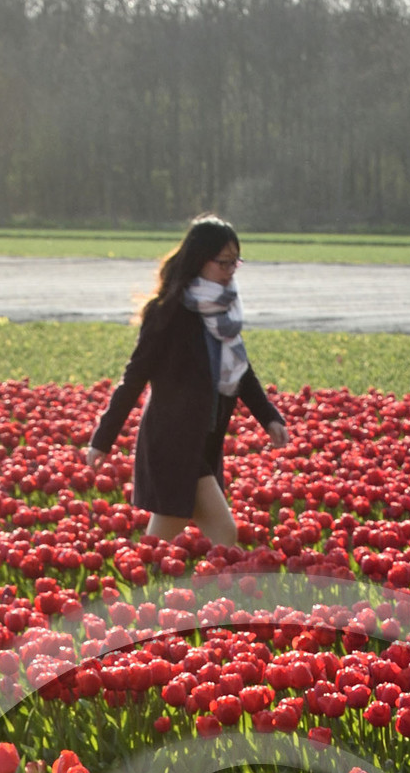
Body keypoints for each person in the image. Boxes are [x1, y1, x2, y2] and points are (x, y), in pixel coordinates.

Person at [83, 216, 287, 547]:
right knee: (223, 533)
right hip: (174, 440)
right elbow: (135, 377)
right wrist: (102, 439)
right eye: (224, 262)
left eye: (236, 261)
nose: (231, 269)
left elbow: (239, 369)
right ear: (199, 259)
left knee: (168, 534)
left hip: (204, 441)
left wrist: (268, 416)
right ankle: (211, 592)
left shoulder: (224, 312)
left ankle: (145, 587)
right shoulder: (169, 312)